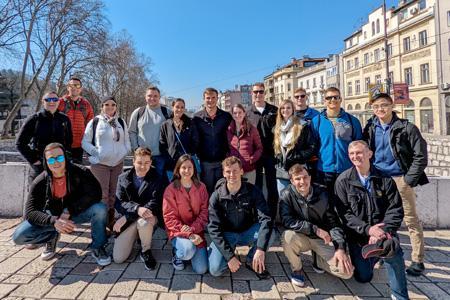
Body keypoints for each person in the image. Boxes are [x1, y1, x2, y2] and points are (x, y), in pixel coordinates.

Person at [12, 143, 111, 266]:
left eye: (59, 158)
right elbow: (30, 212)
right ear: (46, 161)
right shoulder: (40, 181)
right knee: (19, 236)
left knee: (100, 209)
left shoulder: (81, 172)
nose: (56, 162)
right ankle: (51, 237)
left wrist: (68, 210)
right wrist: (54, 222)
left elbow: (95, 193)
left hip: (76, 213)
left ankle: (98, 246)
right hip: (53, 217)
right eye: (51, 159)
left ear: (65, 157)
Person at [363, 92, 428, 276]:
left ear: (392, 106)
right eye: (376, 107)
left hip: (400, 178)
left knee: (410, 219)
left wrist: (408, 180)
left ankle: (417, 259)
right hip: (378, 179)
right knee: (380, 219)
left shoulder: (406, 128)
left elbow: (420, 156)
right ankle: (383, 252)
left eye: (383, 105)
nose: (380, 109)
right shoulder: (370, 127)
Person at [334, 141, 408, 300]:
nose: (355, 157)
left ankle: (399, 294)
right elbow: (344, 215)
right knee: (363, 277)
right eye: (352, 154)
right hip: (359, 237)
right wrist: (368, 229)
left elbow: (395, 209)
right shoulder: (343, 181)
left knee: (392, 249)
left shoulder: (384, 179)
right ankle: (374, 257)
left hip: (383, 233)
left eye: (359, 152)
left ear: (369, 154)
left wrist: (383, 231)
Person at [280, 164, 353, 287]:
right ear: (292, 181)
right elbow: (287, 221)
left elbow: (334, 222)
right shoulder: (286, 194)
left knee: (347, 272)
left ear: (310, 177)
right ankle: (297, 268)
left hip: (321, 240)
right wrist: (315, 229)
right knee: (287, 236)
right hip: (301, 237)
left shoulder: (323, 194)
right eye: (297, 179)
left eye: (305, 177)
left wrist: (340, 247)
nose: (302, 182)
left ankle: (317, 260)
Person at [208, 156, 272, 279]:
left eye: (235, 171)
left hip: (247, 232)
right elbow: (213, 229)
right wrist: (229, 257)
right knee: (215, 270)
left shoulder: (253, 191)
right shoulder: (216, 197)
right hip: (226, 235)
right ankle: (223, 251)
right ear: (223, 173)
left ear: (242, 171)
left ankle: (251, 259)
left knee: (271, 233)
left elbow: (266, 219)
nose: (232, 174)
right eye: (228, 171)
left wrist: (260, 248)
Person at [112, 147, 168, 270]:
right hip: (130, 219)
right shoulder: (123, 178)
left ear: (151, 163)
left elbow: (155, 202)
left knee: (143, 222)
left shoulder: (158, 178)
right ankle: (137, 235)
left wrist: (132, 214)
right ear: (133, 162)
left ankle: (145, 250)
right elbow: (120, 202)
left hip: (148, 217)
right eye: (139, 163)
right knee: (118, 258)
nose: (143, 166)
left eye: (147, 163)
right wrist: (136, 209)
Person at [82, 96, 131, 230]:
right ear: (102, 106)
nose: (110, 107)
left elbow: (127, 141)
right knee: (101, 195)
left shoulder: (121, 121)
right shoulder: (95, 122)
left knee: (114, 194)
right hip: (100, 164)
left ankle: (111, 222)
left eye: (113, 105)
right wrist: (96, 152)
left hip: (117, 163)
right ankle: (100, 225)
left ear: (116, 107)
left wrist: (124, 151)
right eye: (107, 104)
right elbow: (85, 142)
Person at [310, 87, 362, 199]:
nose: (332, 99)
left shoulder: (352, 121)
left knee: (347, 203)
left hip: (347, 170)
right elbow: (312, 146)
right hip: (324, 171)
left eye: (336, 97)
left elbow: (359, 145)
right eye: (329, 97)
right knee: (326, 205)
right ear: (324, 100)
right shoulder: (316, 121)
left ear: (340, 99)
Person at [163, 154, 209, 274]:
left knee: (201, 269)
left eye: (190, 167)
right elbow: (169, 218)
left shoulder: (201, 187)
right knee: (187, 251)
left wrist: (193, 229)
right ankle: (178, 253)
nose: (187, 171)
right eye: (183, 168)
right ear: (178, 169)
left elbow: (205, 212)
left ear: (194, 169)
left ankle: (190, 249)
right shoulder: (170, 189)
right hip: (177, 231)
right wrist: (188, 234)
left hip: (197, 231)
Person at [16, 91, 72, 184]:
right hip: (40, 167)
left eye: (55, 99)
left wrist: (66, 158)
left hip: (60, 165)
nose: (52, 102)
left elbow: (69, 142)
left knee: (60, 196)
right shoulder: (34, 119)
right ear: (43, 102)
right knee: (37, 196)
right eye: (48, 99)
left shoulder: (65, 119)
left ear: (59, 102)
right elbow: (20, 143)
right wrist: (35, 161)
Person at [246, 82, 279, 220]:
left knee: (272, 187)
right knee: (256, 187)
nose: (258, 94)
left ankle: (272, 216)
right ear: (251, 94)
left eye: (260, 91)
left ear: (264, 93)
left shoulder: (274, 110)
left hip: (271, 155)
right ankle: (259, 216)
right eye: (255, 92)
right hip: (255, 155)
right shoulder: (247, 113)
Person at [192, 87, 232, 194]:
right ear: (203, 99)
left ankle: (221, 211)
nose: (211, 100)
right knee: (207, 190)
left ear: (217, 98)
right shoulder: (197, 118)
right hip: (205, 162)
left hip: (222, 160)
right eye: (208, 98)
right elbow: (194, 138)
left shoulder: (226, 116)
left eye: (213, 97)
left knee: (223, 190)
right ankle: (209, 211)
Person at [273, 99, 316, 194]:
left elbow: (312, 148)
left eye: (288, 107)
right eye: (283, 108)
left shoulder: (302, 125)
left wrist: (296, 157)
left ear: (293, 109)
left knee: (300, 199)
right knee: (284, 200)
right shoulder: (277, 128)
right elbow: (275, 149)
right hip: (282, 172)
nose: (285, 110)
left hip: (298, 170)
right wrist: (278, 157)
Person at [128, 86, 172, 177]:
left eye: (155, 96)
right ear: (145, 97)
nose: (152, 98)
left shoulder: (167, 112)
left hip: (161, 157)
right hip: (143, 158)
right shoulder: (138, 112)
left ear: (159, 97)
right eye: (149, 96)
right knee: (142, 184)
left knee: (159, 185)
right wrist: (136, 149)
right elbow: (132, 131)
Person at [159, 98, 199, 180]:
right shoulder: (166, 124)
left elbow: (196, 141)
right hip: (171, 164)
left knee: (188, 185)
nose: (179, 109)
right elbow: (162, 143)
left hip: (187, 163)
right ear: (172, 107)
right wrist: (168, 157)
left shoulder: (190, 123)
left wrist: (189, 154)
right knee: (173, 187)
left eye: (182, 107)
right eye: (177, 107)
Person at [58, 77, 94, 163]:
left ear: (80, 88)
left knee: (77, 172)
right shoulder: (60, 102)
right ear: (68, 87)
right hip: (61, 145)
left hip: (79, 145)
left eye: (77, 85)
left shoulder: (86, 104)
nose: (74, 87)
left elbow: (91, 124)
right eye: (71, 85)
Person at [227, 103, 263, 184]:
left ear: (244, 113)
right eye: (235, 113)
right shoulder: (228, 130)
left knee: (249, 194)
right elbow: (226, 148)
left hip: (248, 169)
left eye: (240, 112)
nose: (237, 115)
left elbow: (259, 148)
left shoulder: (252, 129)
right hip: (233, 170)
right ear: (232, 115)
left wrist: (251, 159)